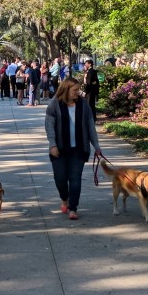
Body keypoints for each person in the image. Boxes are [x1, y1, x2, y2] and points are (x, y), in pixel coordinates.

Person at [45, 77, 100, 220]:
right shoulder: (54, 105)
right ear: (66, 89)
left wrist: (96, 146)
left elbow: (90, 126)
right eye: (75, 90)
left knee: (75, 178)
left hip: (79, 148)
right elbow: (49, 127)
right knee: (60, 179)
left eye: (78, 89)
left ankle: (73, 208)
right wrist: (52, 144)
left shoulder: (83, 105)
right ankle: (64, 198)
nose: (78, 92)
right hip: (60, 148)